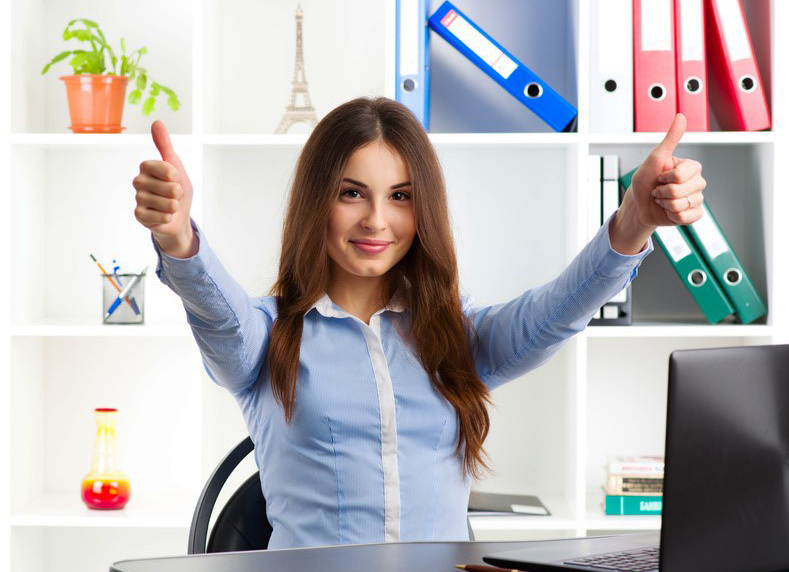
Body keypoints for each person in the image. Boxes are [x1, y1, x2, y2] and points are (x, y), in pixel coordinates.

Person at [132, 97, 705, 549]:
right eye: (351, 193)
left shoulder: (451, 334)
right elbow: (220, 317)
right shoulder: (267, 335)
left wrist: (632, 223)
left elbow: (551, 317)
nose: (376, 219)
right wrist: (179, 237)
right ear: (316, 202)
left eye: (400, 196)